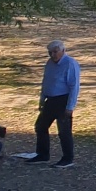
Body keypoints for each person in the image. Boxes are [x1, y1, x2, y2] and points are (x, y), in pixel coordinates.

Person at [16, 39, 79, 167]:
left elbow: (74, 86)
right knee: (40, 126)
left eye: (55, 52)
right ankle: (43, 154)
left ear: (63, 51)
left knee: (64, 131)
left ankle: (68, 158)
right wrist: (42, 99)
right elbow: (46, 81)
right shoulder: (49, 63)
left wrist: (70, 106)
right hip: (50, 99)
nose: (53, 55)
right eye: (50, 52)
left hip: (63, 99)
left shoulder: (70, 64)